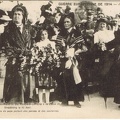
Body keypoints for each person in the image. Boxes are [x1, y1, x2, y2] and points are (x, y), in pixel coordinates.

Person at [0, 4, 36, 104]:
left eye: (19, 14)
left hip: (27, 59)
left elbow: (32, 43)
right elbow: (7, 46)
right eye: (15, 14)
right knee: (14, 82)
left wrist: (28, 53)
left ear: (23, 16)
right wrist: (19, 54)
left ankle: (27, 98)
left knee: (26, 80)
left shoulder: (29, 29)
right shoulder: (8, 30)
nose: (17, 16)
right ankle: (13, 99)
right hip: (14, 59)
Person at [55, 13, 87, 108]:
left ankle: (77, 100)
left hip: (75, 58)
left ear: (72, 22)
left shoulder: (77, 33)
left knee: (75, 77)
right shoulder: (61, 33)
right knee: (64, 77)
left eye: (68, 22)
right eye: (64, 22)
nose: (66, 24)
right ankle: (65, 99)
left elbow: (83, 46)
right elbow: (57, 47)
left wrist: (75, 52)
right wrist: (63, 49)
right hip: (64, 58)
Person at [31, 29, 57, 103]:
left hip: (48, 66)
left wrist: (52, 60)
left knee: (47, 84)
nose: (43, 36)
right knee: (40, 83)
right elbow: (35, 54)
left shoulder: (51, 43)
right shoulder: (38, 44)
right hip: (40, 66)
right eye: (42, 34)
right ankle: (40, 101)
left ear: (48, 35)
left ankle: (47, 100)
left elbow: (54, 54)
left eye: (45, 34)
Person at [93, 18, 115, 96]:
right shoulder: (97, 34)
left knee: (112, 70)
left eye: (104, 24)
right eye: (101, 24)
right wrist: (100, 45)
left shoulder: (110, 32)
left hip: (113, 53)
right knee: (104, 71)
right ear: (99, 25)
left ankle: (112, 91)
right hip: (104, 53)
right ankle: (104, 91)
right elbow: (96, 44)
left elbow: (114, 42)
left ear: (106, 25)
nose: (102, 25)